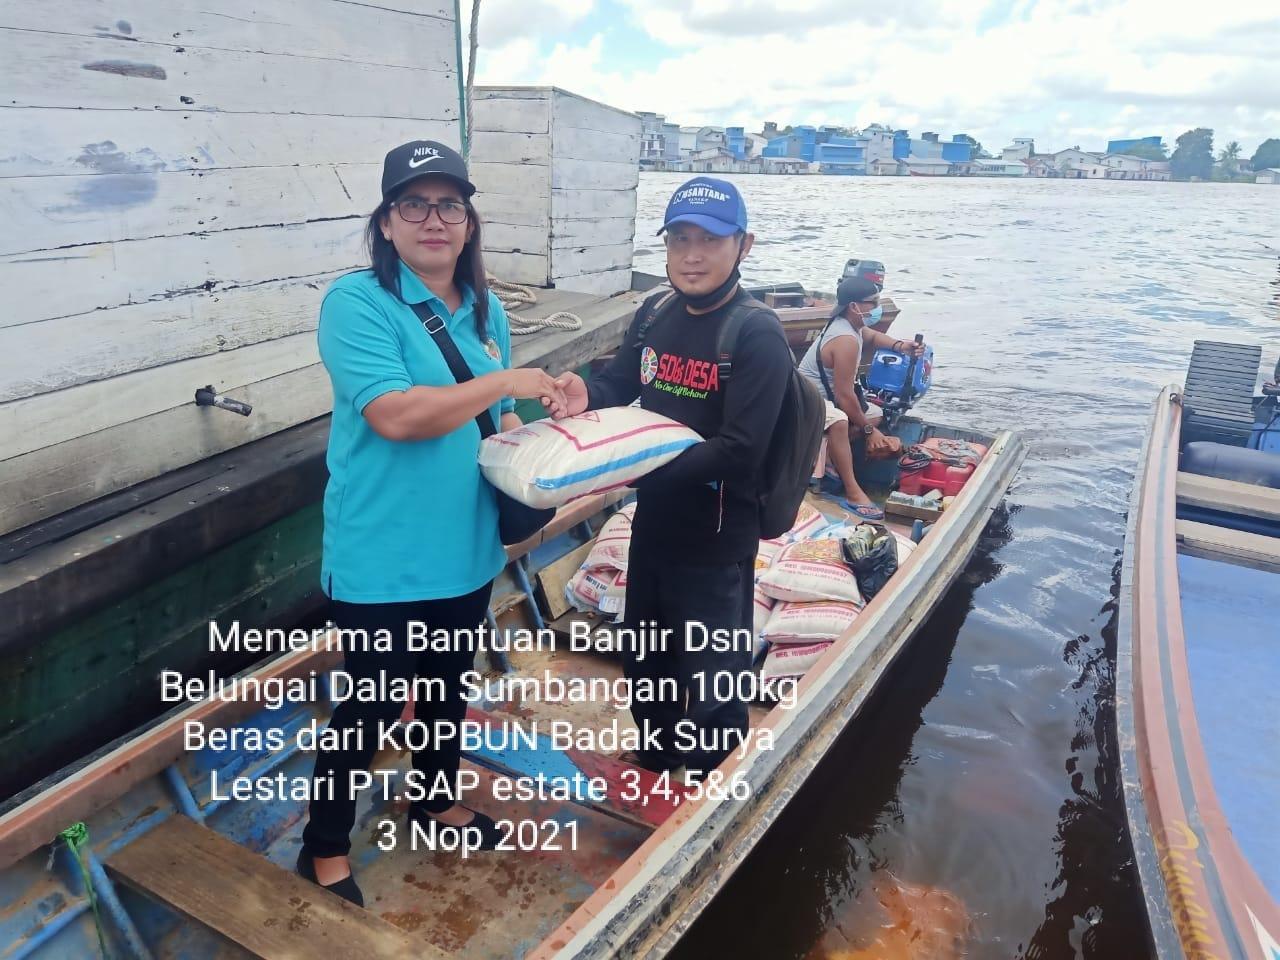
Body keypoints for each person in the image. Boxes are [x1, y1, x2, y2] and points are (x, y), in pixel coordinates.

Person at [297, 140, 566, 906]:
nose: (434, 219)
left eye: (450, 204)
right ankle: (323, 849)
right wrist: (506, 379)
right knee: (374, 704)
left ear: (469, 221)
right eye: (413, 204)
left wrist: (552, 423)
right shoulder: (356, 304)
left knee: (448, 685)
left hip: (467, 546)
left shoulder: (486, 310)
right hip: (381, 555)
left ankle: (434, 798)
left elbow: (501, 418)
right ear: (386, 222)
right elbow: (396, 414)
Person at [549, 177, 793, 779]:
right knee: (647, 658)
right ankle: (657, 757)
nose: (692, 255)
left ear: (743, 245)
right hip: (653, 523)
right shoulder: (655, 312)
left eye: (710, 240)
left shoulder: (756, 332)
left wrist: (636, 468)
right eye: (680, 239)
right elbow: (619, 384)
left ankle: (711, 777)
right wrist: (586, 395)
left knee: (712, 677)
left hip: (717, 538)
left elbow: (741, 450)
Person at [797, 275, 926, 521]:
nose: (877, 307)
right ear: (854, 306)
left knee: (876, 413)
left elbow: (872, 336)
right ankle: (853, 491)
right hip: (806, 400)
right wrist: (870, 432)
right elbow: (844, 397)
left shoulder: (851, 326)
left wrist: (901, 346)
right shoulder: (845, 340)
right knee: (840, 421)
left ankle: (828, 459)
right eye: (873, 302)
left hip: (827, 399)